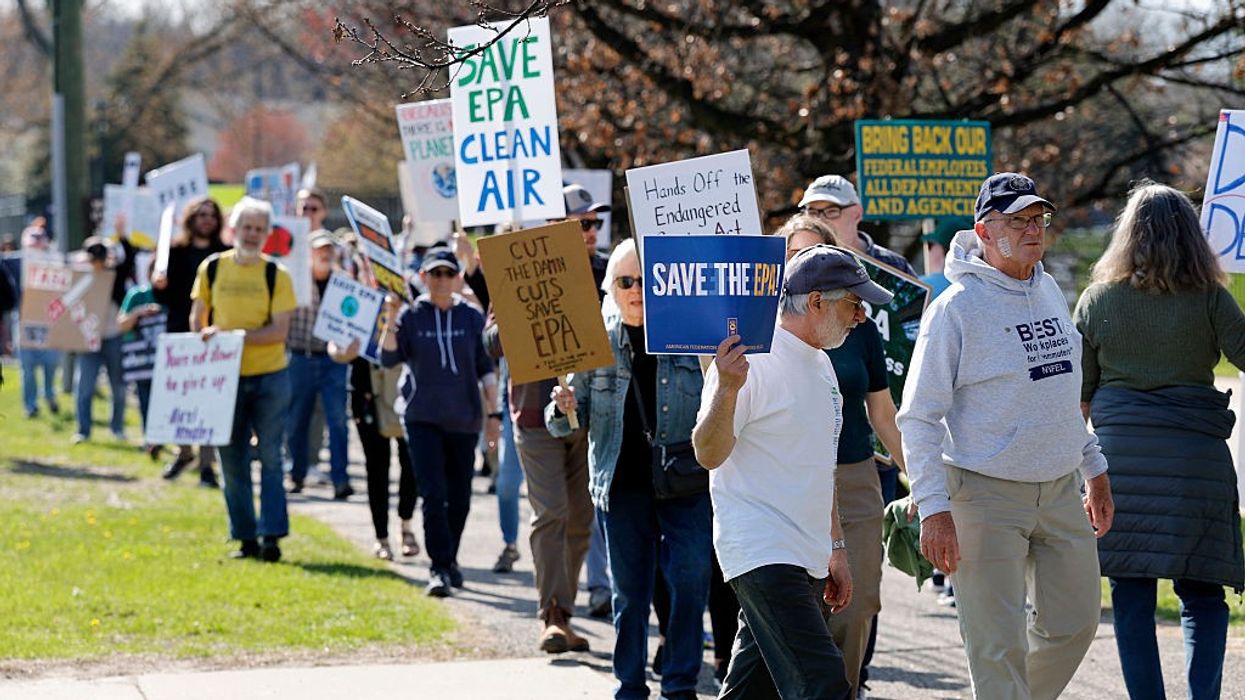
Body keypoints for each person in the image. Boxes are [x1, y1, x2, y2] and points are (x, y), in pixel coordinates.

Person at [897, 172, 1114, 700]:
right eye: (1017, 220)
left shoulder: (1047, 288)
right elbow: (918, 417)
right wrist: (934, 508)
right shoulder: (954, 309)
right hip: (983, 495)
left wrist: (1095, 468)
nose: (1033, 230)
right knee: (997, 650)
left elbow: (1062, 394)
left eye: (1038, 218)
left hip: (1061, 488)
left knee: (1075, 625)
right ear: (985, 230)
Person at [694, 244, 893, 700]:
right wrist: (725, 388)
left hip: (806, 555)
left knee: (751, 691)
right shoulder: (752, 361)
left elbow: (822, 469)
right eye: (854, 303)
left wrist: (836, 547)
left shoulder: (821, 365)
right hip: (763, 553)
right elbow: (708, 453)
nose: (861, 316)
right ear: (817, 302)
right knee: (823, 685)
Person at [1074, 182, 1244, 700]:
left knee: (1130, 593)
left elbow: (1079, 396)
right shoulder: (1212, 298)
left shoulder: (1097, 299)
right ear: (1193, 236)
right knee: (1202, 593)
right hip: (1197, 462)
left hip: (1121, 463)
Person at [548, 238, 710, 698]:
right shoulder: (592, 336)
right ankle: (630, 685)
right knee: (630, 594)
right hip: (622, 484)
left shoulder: (691, 329)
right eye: (626, 281)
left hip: (687, 480)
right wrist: (561, 407)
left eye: (645, 280)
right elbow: (564, 424)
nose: (637, 289)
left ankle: (680, 684)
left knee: (690, 580)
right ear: (610, 288)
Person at [778, 214, 906, 697]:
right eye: (792, 256)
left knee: (856, 606)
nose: (799, 264)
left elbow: (884, 414)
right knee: (798, 612)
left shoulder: (860, 328)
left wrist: (927, 489)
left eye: (811, 255)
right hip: (790, 481)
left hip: (853, 479)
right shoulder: (768, 334)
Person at [381, 248, 498, 597]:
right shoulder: (411, 316)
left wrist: (493, 416)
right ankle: (438, 566)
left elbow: (485, 369)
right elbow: (388, 357)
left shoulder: (472, 317)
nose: (442, 280)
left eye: (449, 274)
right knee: (433, 494)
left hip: (464, 418)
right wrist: (389, 317)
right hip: (422, 417)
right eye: (436, 274)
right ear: (424, 278)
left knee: (460, 496)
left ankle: (450, 559)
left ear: (458, 277)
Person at [191, 197, 297, 562]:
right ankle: (245, 537)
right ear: (233, 230)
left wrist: (233, 337)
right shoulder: (212, 269)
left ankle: (271, 536)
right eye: (246, 228)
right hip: (225, 380)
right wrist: (206, 335)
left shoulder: (277, 275)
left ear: (267, 234)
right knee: (231, 457)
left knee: (270, 456)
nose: (251, 235)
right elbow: (198, 317)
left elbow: (278, 331)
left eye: (258, 229)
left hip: (269, 376)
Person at [153, 197, 228, 487]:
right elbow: (162, 298)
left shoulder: (224, 255)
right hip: (179, 335)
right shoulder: (174, 253)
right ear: (191, 219)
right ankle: (184, 452)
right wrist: (157, 283)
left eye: (212, 215)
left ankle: (208, 464)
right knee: (181, 398)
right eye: (202, 214)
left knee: (209, 400)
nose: (207, 219)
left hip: (212, 334)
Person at [285, 231, 353, 499]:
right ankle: (297, 474)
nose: (325, 254)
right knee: (296, 420)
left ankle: (341, 479)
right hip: (300, 356)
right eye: (319, 249)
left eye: (329, 249)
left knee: (337, 421)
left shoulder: (344, 283)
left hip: (332, 360)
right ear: (310, 252)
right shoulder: (295, 281)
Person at [72, 235, 130, 444]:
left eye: (100, 257)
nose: (97, 262)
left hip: (113, 337)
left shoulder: (115, 277)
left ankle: (117, 428)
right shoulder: (79, 279)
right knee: (84, 387)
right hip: (89, 341)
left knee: (118, 387)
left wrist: (121, 236)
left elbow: (128, 260)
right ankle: (83, 430)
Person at [117, 258, 167, 458]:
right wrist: (139, 313)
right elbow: (121, 324)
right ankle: (152, 441)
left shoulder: (174, 295)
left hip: (168, 361)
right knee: (146, 401)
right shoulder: (137, 295)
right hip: (143, 360)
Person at [15, 224, 62, 418]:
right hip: (25, 321)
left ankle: (49, 393)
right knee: (27, 367)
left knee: (50, 362)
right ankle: (31, 405)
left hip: (48, 322)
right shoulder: (18, 264)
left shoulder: (53, 260)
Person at [920, 217, 973, 300]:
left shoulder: (920, 286)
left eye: (930, 245)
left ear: (943, 250)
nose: (929, 251)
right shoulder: (980, 287)